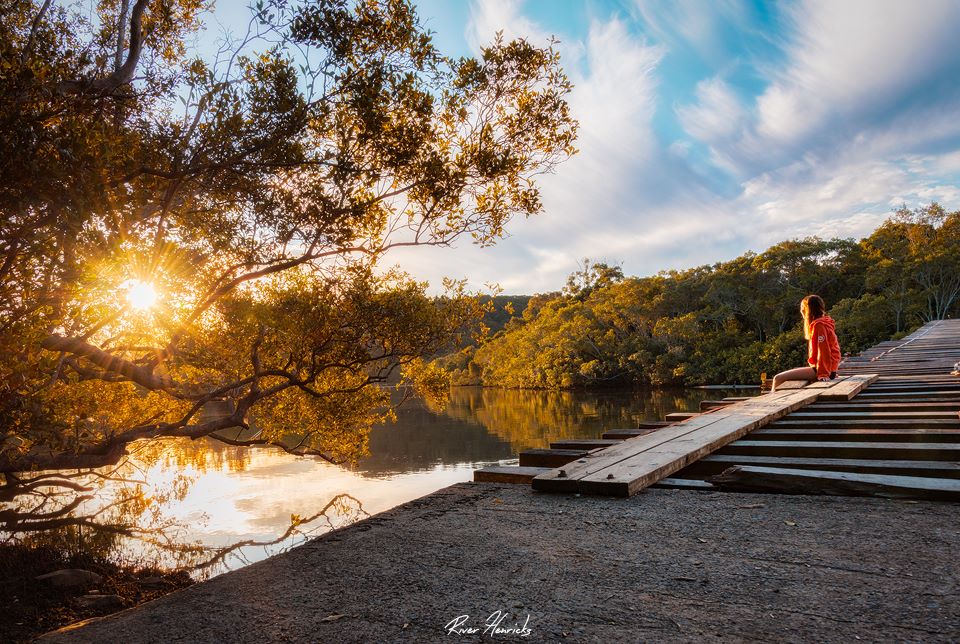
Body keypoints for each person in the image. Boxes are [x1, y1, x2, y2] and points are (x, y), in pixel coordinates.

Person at [772, 294, 842, 391]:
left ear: (808, 310)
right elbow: (834, 348)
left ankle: (773, 400)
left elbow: (824, 351)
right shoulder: (825, 322)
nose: (801, 311)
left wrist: (824, 374)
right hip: (827, 369)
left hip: (822, 370)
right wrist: (832, 370)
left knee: (778, 378)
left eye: (802, 309)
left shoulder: (819, 325)